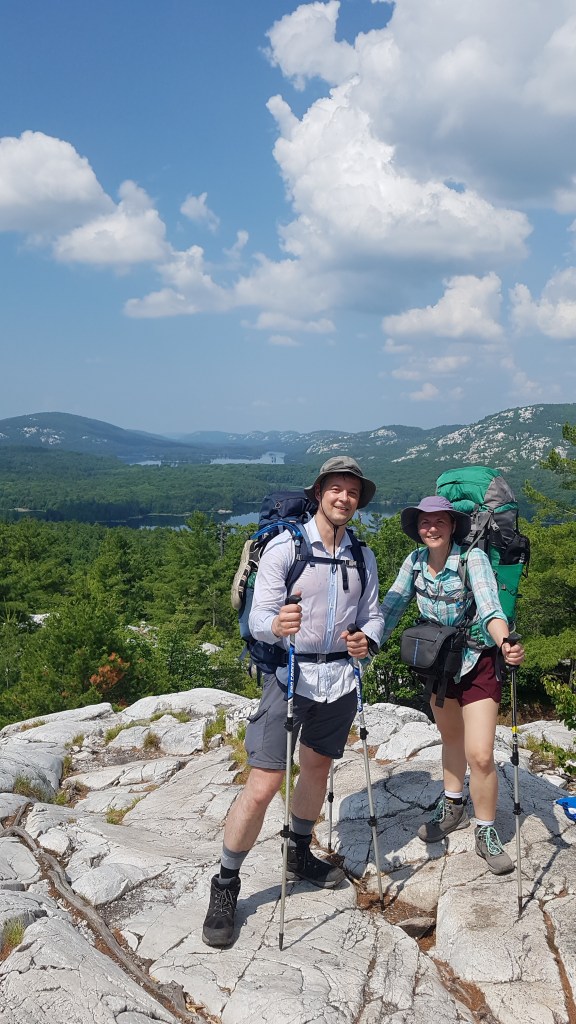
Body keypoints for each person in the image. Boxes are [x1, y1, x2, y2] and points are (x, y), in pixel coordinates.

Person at [202, 456, 384, 947]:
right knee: (264, 783)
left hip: (339, 679)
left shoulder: (361, 555)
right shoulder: (287, 546)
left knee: (318, 767)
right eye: (336, 488)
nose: (344, 497)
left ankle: (298, 852)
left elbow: (372, 613)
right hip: (289, 676)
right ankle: (226, 883)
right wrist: (276, 625)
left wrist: (368, 638)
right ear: (319, 492)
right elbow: (259, 617)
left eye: (352, 492)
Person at [379, 495, 525, 875]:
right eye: (425, 522)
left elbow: (490, 607)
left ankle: (486, 829)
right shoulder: (414, 562)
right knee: (451, 739)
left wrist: (505, 642)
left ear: (452, 526)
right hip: (440, 666)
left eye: (439, 521)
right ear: (417, 528)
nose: (432, 528)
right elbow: (390, 609)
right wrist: (364, 646)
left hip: (478, 663)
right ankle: (453, 805)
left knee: (480, 754)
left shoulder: (471, 559)